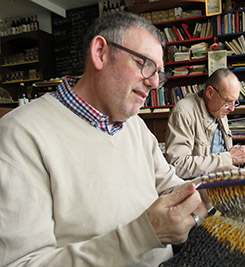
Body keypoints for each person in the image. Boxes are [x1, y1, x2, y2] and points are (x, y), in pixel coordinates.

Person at [0, 12, 209, 267]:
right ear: (101, 53)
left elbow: (170, 187)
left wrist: (225, 186)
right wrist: (144, 234)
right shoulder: (20, 135)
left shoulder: (136, 127)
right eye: (146, 64)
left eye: (159, 73)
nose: (155, 83)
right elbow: (22, 263)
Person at [165, 68, 245, 179]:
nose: (232, 109)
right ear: (210, 92)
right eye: (228, 101)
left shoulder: (218, 109)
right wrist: (229, 158)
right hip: (198, 186)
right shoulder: (183, 112)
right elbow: (178, 166)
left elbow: (222, 155)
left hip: (222, 179)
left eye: (235, 102)